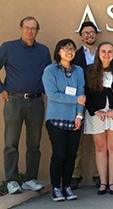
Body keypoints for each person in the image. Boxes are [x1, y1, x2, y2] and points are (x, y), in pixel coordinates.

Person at [0, 16, 51, 195]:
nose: (30, 31)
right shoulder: (8, 47)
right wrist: (1, 89)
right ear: (21, 29)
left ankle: (30, 179)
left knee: (34, 143)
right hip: (14, 100)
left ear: (37, 31)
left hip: (37, 102)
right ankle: (12, 181)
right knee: (11, 143)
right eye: (27, 27)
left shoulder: (44, 51)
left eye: (34, 28)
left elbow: (48, 75)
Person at [42, 39, 86, 201]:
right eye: (65, 48)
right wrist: (75, 100)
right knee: (59, 154)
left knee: (71, 154)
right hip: (56, 119)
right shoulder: (50, 70)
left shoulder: (79, 71)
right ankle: (56, 187)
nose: (69, 51)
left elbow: (81, 93)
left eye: (72, 49)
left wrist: (79, 115)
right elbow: (52, 94)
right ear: (58, 51)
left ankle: (67, 186)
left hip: (74, 119)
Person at [83, 42, 113, 195]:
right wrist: (95, 110)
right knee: (100, 147)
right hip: (97, 114)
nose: (106, 54)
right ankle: (103, 182)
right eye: (103, 51)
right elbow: (86, 93)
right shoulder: (89, 70)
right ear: (98, 53)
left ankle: (112, 183)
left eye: (110, 51)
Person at [72, 21, 100, 189]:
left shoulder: (103, 52)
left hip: (98, 102)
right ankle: (76, 174)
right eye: (85, 33)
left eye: (92, 32)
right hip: (80, 102)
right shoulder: (74, 55)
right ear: (81, 36)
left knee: (99, 140)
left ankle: (98, 174)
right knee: (78, 141)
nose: (89, 35)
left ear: (96, 34)